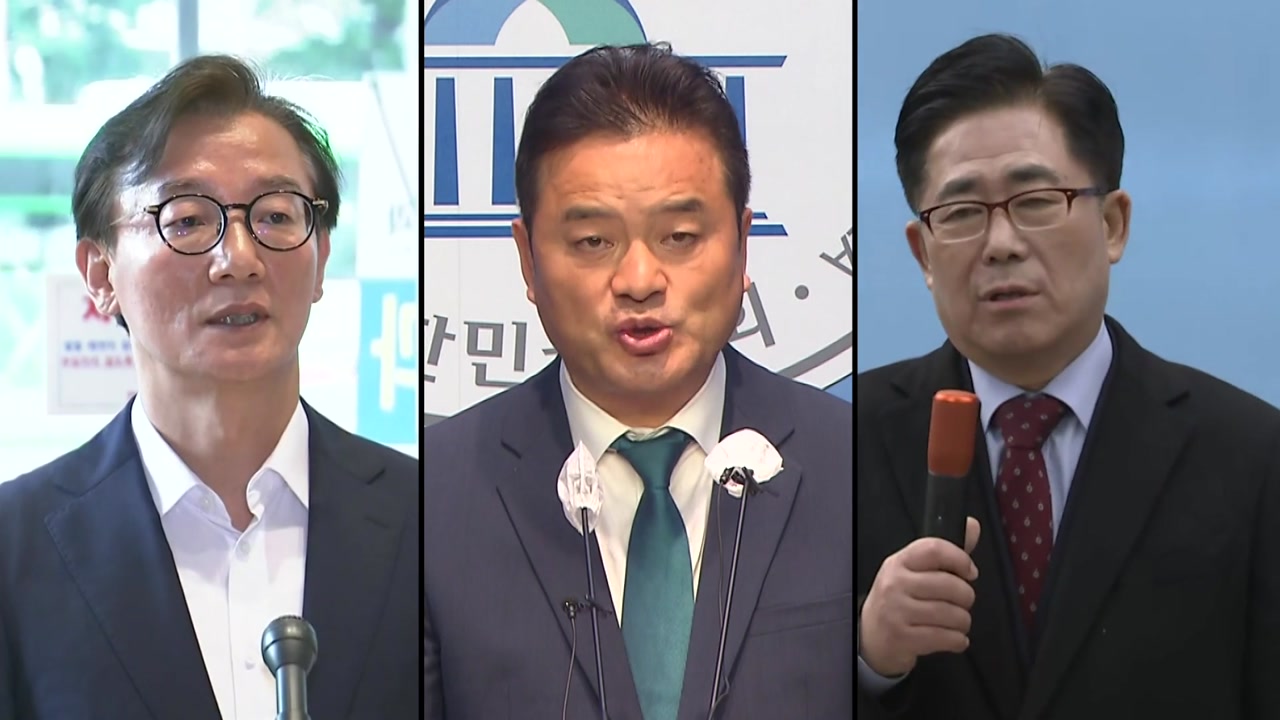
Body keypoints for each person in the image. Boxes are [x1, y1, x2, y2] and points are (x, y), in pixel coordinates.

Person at [423, 42, 853, 720]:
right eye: (593, 242)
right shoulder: (436, 497)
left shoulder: (852, 461)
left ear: (743, 244)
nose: (640, 280)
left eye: (679, 236)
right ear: (528, 261)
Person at [857, 33, 1280, 719]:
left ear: (1113, 224)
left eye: (1035, 201)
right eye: (961, 213)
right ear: (923, 254)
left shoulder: (1252, 455)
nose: (1001, 245)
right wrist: (870, 659)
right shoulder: (842, 443)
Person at [0, 55, 419, 719]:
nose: (240, 258)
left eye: (276, 216)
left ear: (320, 259)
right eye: (189, 220)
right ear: (100, 274)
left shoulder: (428, 519)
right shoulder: (17, 549)